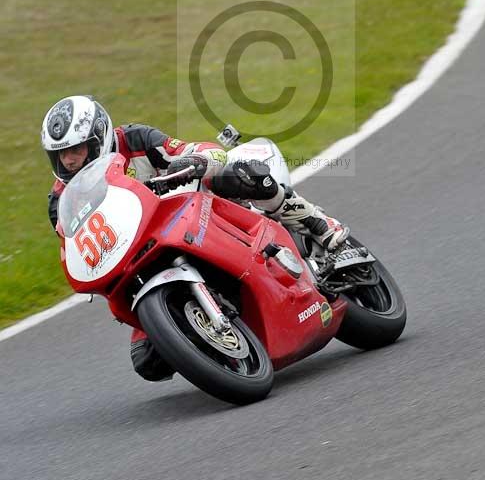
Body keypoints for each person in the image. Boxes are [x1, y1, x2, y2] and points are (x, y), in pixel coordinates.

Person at [41, 95, 350, 381]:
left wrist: (196, 161)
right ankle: (217, 340)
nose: (69, 161)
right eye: (60, 155)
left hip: (187, 212)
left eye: (76, 150)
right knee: (147, 361)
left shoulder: (135, 139)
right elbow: (73, 248)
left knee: (239, 173)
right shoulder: (61, 200)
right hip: (136, 257)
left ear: (99, 137)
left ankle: (318, 224)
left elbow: (201, 151)